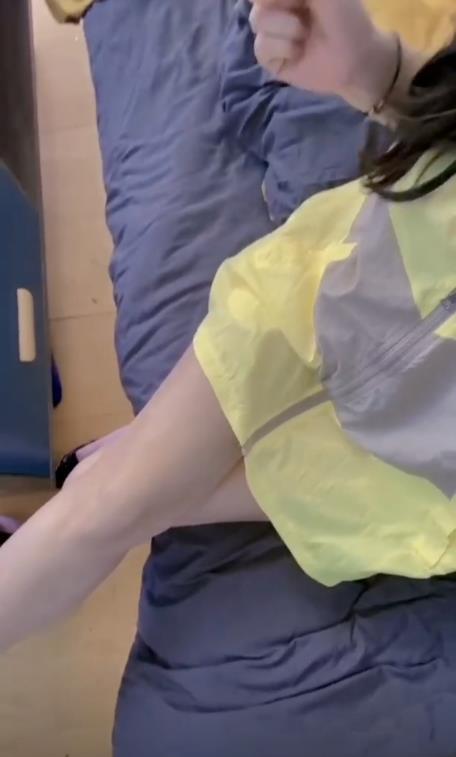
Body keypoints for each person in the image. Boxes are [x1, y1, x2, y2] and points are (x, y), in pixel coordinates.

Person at [1, 0, 455, 652]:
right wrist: (375, 73)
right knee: (100, 509)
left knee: (125, 489)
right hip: (326, 299)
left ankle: (114, 480)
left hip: (409, 476)